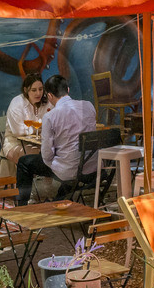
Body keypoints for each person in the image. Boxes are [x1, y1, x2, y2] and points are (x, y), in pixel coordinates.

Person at [16, 74, 95, 204]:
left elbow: (47, 155)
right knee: (68, 159)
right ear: (68, 90)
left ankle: (22, 207)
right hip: (92, 169)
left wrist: (60, 163)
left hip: (70, 171)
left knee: (24, 162)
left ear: (50, 96)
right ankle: (60, 197)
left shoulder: (50, 116)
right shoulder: (88, 106)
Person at [0, 71, 49, 177]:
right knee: (38, 156)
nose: (38, 93)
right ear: (26, 90)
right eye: (34, 90)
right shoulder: (17, 103)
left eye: (40, 89)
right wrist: (39, 128)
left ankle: (49, 189)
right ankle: (30, 191)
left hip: (40, 143)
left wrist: (35, 128)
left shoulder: (46, 102)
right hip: (15, 144)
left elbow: (53, 123)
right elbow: (18, 132)